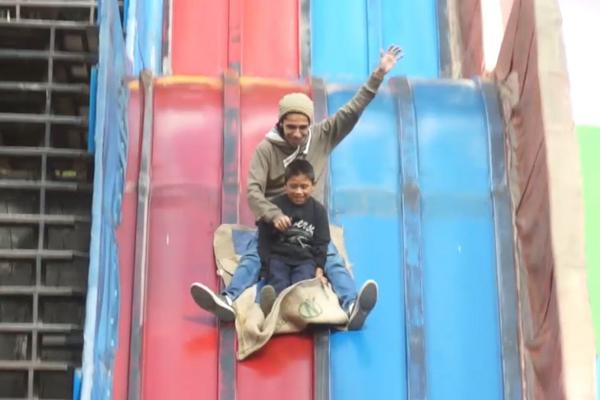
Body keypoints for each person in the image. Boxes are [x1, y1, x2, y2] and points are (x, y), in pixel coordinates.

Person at [191, 44, 403, 330]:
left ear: (310, 124)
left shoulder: (322, 136)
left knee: (331, 256)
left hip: (310, 223)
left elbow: (353, 110)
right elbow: (253, 190)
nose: (297, 133)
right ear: (280, 123)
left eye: (303, 127)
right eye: (291, 127)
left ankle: (351, 305)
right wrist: (272, 214)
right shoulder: (266, 150)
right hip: (275, 225)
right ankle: (228, 299)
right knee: (254, 255)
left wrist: (378, 74)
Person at [256, 159, 330, 316]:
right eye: (293, 186)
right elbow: (264, 237)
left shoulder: (318, 211)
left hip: (305, 260)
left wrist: (319, 268)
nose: (298, 191)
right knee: (278, 281)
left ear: (313, 185)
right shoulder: (275, 206)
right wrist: (265, 265)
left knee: (301, 286)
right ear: (285, 185)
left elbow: (322, 242)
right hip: (279, 257)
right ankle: (274, 309)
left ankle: (300, 311)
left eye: (304, 186)